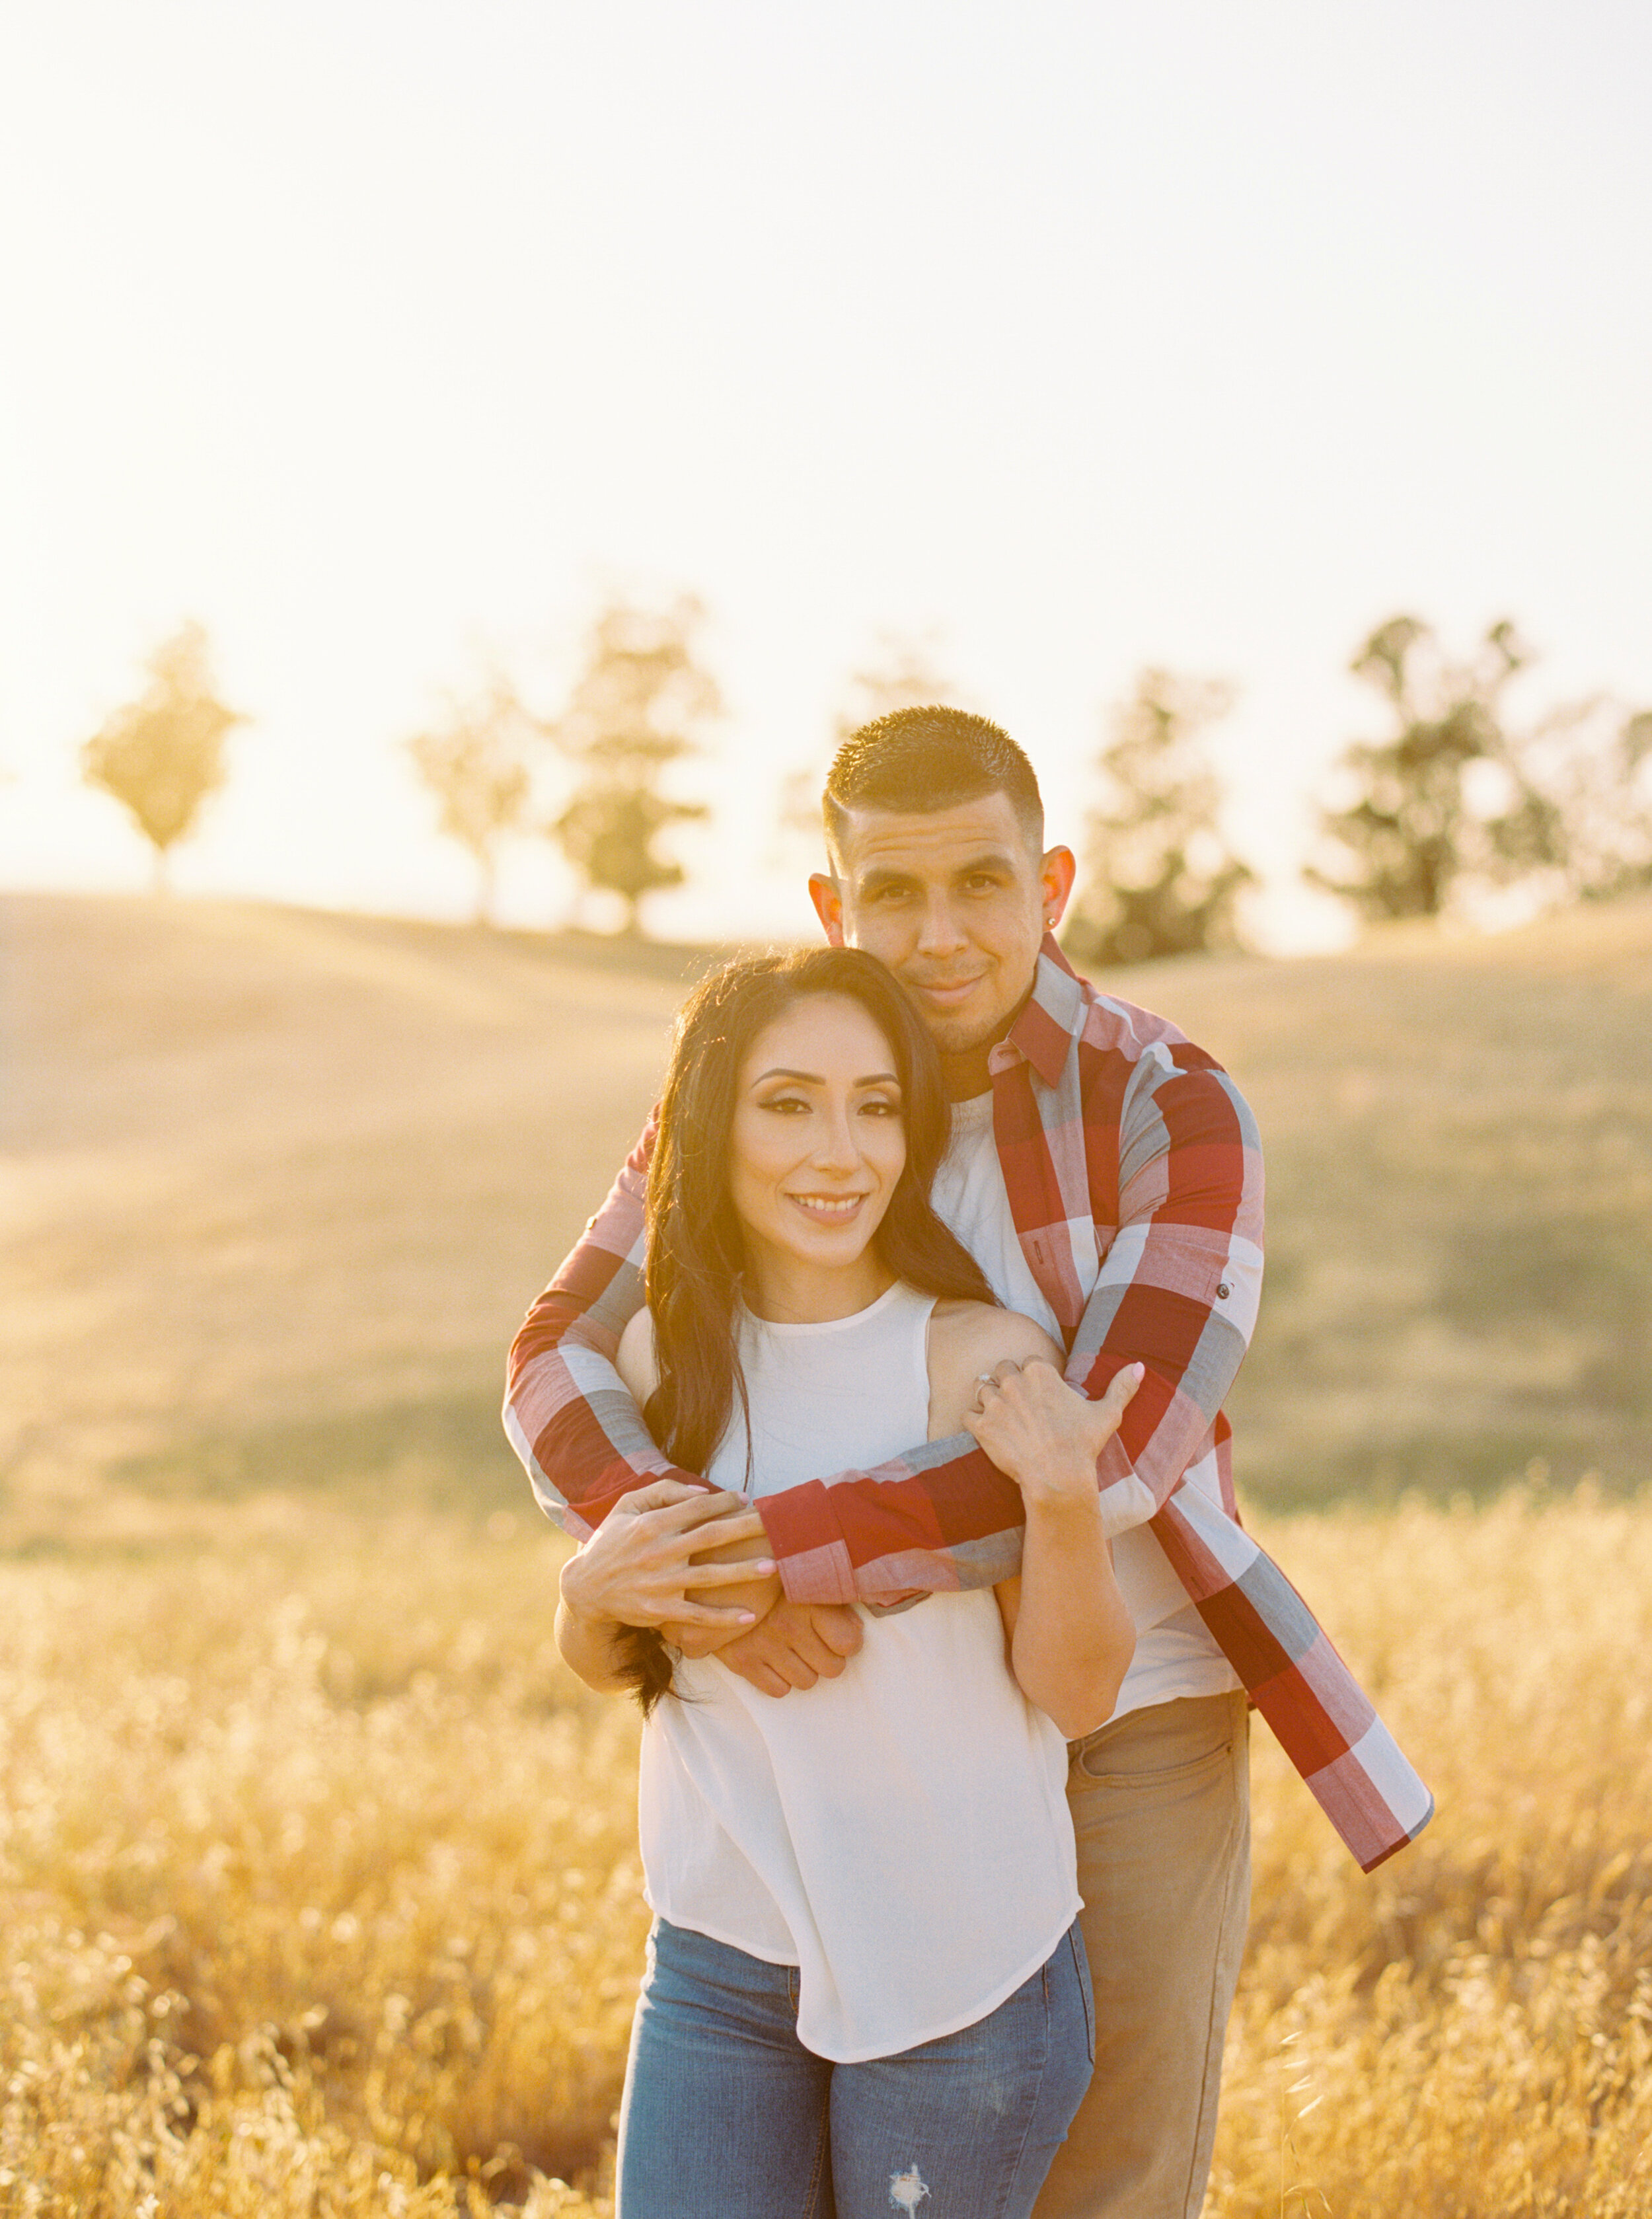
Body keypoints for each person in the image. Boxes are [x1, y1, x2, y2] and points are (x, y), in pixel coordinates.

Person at [506, 707, 1435, 2219]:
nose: (938, 935)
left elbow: (1107, 1444)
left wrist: (754, 1559)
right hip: (856, 1730)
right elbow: (559, 1344)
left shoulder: (1169, 1103)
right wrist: (686, 1572)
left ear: (1051, 882)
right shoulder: (779, 1079)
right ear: (831, 904)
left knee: (1103, 2177)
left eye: (981, 885)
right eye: (892, 892)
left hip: (1121, 1708)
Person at [555, 945, 1140, 2217]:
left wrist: (1062, 1499)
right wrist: (594, 1592)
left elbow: (1078, 1690)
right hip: (721, 1955)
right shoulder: (659, 1362)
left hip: (961, 1973)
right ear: (709, 1123)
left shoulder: (974, 1357)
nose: (842, 1150)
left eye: (877, 1104)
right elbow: (609, 1663)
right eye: (788, 1102)